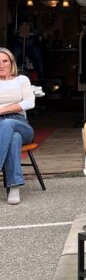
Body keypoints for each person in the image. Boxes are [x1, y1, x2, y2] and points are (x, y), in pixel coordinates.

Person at [0, 47, 33, 206]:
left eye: (5, 61)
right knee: (14, 138)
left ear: (11, 63)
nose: (1, 65)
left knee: (9, 123)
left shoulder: (22, 80)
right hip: (2, 128)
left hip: (20, 123)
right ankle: (14, 186)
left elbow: (29, 102)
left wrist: (3, 109)